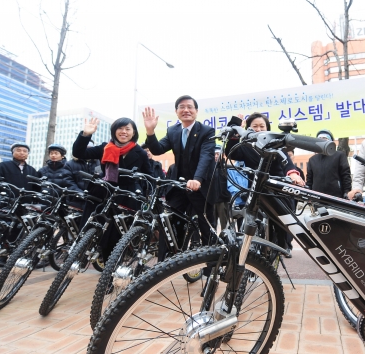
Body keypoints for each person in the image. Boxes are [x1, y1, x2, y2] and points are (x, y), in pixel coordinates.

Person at [142, 96, 218, 248]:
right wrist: (150, 131)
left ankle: (211, 268)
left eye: (190, 107)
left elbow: (206, 157)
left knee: (207, 229)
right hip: (179, 186)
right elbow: (157, 149)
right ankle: (166, 263)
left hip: (200, 187)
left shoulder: (206, 131)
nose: (186, 110)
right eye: (181, 107)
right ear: (176, 112)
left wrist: (197, 179)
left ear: (196, 111)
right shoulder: (173, 131)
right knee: (169, 224)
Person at [72, 117, 152, 260]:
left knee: (116, 236)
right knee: (95, 227)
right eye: (120, 128)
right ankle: (90, 254)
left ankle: (112, 265)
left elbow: (148, 176)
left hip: (127, 195)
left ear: (133, 133)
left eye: (128, 129)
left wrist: (145, 196)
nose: (123, 132)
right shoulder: (105, 147)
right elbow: (79, 153)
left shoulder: (140, 152)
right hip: (104, 191)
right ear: (114, 131)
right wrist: (85, 134)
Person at [225, 112, 304, 256]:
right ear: (248, 128)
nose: (258, 129)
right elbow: (231, 151)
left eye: (262, 126)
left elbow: (286, 161)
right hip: (255, 188)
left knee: (282, 221)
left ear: (267, 128)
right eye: (254, 126)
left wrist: (293, 173)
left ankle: (283, 246)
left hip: (276, 186)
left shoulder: (275, 143)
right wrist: (236, 123)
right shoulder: (245, 146)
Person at [306, 129, 351, 199]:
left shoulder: (339, 156)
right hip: (317, 198)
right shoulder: (312, 160)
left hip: (336, 197)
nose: (322, 141)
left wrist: (347, 191)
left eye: (325, 138)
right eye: (319, 139)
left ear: (331, 141)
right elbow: (309, 181)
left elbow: (345, 175)